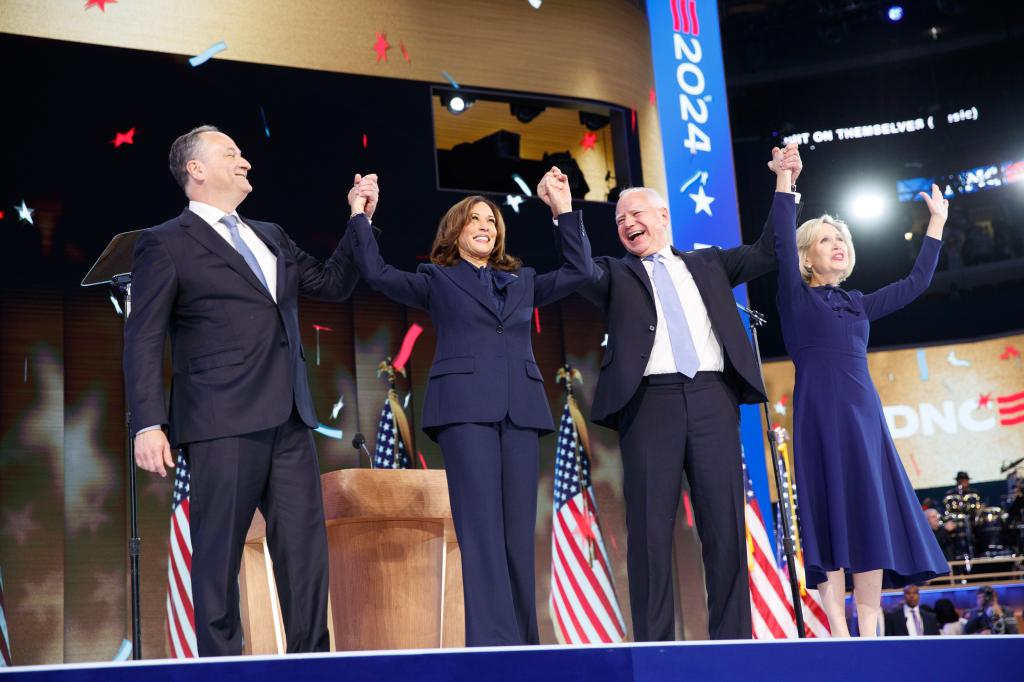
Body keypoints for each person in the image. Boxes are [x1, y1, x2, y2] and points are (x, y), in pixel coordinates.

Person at [125, 125, 377, 656]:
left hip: (289, 419)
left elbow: (333, 283)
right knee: (217, 559)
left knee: (306, 555)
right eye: (232, 154)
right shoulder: (164, 243)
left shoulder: (271, 234)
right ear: (196, 169)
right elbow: (143, 338)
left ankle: (312, 665)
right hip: (220, 421)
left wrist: (358, 219)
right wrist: (148, 423)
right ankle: (220, 669)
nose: (245, 162)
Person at [537, 147, 801, 641]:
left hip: (711, 399)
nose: (627, 223)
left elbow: (771, 250)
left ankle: (734, 647)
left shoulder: (709, 264)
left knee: (724, 529)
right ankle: (655, 650)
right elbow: (577, 266)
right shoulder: (615, 275)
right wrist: (562, 210)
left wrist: (785, 180)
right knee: (650, 534)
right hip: (649, 405)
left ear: (662, 215)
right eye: (619, 219)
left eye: (635, 213)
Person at [345, 168, 592, 646]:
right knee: (480, 534)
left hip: (519, 412)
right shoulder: (436, 279)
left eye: (493, 221)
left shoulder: (523, 281)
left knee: (518, 533)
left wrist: (562, 208)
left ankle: (525, 644)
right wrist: (359, 215)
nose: (486, 225)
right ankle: (494, 644)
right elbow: (375, 273)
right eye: (475, 219)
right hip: (464, 414)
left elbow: (583, 271)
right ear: (455, 231)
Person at [771, 144, 951, 638]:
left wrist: (935, 224)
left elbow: (915, 283)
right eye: (826, 240)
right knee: (829, 516)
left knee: (869, 518)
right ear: (808, 255)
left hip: (864, 420)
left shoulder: (856, 302)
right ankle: (837, 632)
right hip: (819, 417)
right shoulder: (794, 295)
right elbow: (782, 242)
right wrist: (785, 180)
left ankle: (870, 630)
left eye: (843, 240)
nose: (838, 246)